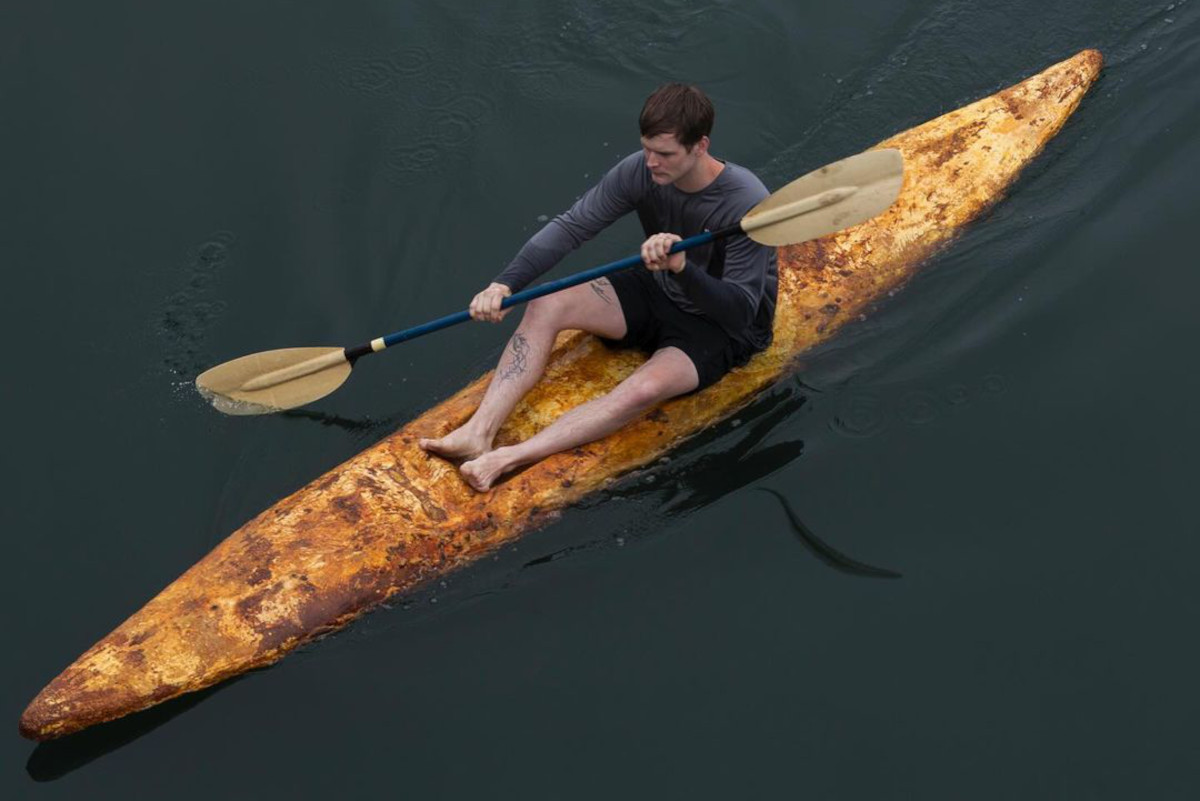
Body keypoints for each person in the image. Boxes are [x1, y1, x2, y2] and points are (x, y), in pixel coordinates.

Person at [419, 83, 778, 491]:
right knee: (547, 301)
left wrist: (682, 267)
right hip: (660, 286)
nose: (652, 163)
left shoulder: (747, 201)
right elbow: (572, 227)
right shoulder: (639, 171)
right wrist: (505, 282)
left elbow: (740, 312)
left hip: (722, 327)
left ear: (700, 145)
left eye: (665, 154)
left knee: (645, 387)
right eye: (646, 149)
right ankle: (477, 432)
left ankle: (510, 457)